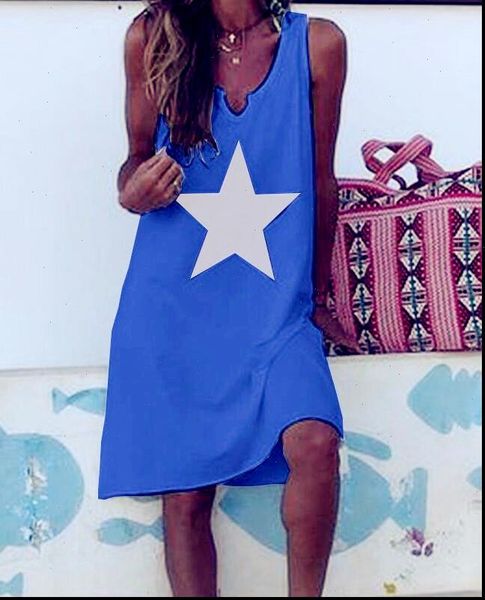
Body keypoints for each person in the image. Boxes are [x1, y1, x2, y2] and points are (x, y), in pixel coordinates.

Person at [98, 0, 359, 596]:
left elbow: (322, 180)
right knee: (185, 493)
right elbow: (134, 158)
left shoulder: (317, 45)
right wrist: (133, 191)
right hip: (172, 309)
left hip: (276, 305)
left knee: (316, 441)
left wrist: (317, 296)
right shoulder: (151, 36)